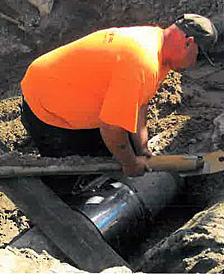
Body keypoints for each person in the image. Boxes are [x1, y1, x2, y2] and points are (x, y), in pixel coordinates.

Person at [20, 14, 217, 194]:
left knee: (118, 148)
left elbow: (140, 102)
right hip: (46, 104)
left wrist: (141, 147)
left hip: (67, 86)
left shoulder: (157, 44)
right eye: (198, 57)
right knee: (71, 177)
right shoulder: (142, 63)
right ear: (188, 43)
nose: (193, 65)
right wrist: (130, 163)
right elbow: (111, 128)